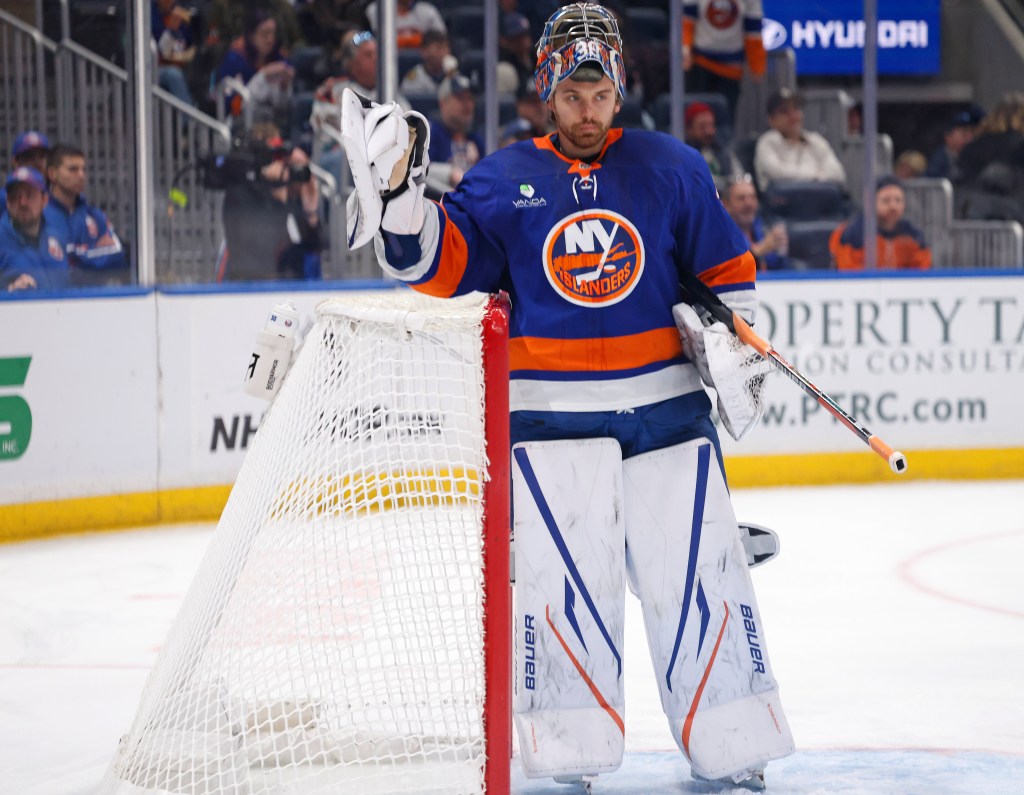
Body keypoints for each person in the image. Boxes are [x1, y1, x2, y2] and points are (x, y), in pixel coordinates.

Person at [341, 3, 794, 789]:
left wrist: (729, 334)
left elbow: (728, 273)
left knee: (700, 580)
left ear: (618, 93)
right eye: (572, 94)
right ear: (547, 93)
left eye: (601, 94)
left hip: (668, 418)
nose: (587, 111)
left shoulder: (672, 167)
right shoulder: (502, 177)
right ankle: (568, 755)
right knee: (564, 593)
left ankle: (734, 744)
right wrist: (404, 210)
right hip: (549, 423)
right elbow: (445, 271)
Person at [217, 125, 323, 282]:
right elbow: (264, 255)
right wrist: (277, 198)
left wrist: (311, 212)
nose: (280, 165)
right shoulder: (239, 194)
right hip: (250, 291)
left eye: (282, 157)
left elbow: (316, 247)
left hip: (292, 292)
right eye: (274, 158)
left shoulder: (289, 196)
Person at [44, 144, 127, 273]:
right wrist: (94, 250)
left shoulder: (94, 215)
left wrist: (76, 255)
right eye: (73, 169)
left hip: (94, 291)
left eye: (83, 169)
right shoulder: (39, 216)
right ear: (52, 174)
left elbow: (118, 253)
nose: (81, 175)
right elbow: (57, 265)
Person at [682, 0, 767, 121]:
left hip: (731, 69)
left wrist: (757, 65)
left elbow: (753, 30)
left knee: (724, 122)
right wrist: (685, 48)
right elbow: (687, 19)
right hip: (699, 65)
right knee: (695, 120)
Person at [829, 175, 931, 271]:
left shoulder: (913, 235)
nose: (893, 206)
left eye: (898, 200)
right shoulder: (852, 234)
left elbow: (922, 271)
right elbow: (849, 273)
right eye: (886, 201)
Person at [216, 6, 295, 128]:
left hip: (273, 125)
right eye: (265, 34)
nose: (270, 39)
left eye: (273, 33)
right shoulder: (235, 59)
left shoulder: (278, 57)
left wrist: (284, 86)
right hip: (241, 124)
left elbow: (283, 107)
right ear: (251, 36)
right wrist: (263, 76)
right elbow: (235, 106)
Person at [754, 88, 846, 191]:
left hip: (820, 200)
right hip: (784, 203)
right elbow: (778, 174)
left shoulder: (816, 140)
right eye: (785, 111)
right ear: (771, 120)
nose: (793, 116)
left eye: (796, 109)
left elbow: (838, 174)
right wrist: (817, 175)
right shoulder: (767, 142)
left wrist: (810, 179)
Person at [0, 167, 70, 291]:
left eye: (29, 195)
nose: (22, 202)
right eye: (15, 197)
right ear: (8, 203)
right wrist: (8, 291)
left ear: (45, 200)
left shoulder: (56, 237)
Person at [426, 74, 484, 193]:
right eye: (460, 98)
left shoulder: (476, 137)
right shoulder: (429, 132)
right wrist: (450, 173)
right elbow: (418, 171)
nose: (467, 105)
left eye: (470, 98)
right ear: (443, 103)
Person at [721, 173, 789, 271]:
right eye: (741, 198)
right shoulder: (721, 235)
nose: (749, 203)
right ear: (726, 204)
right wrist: (759, 251)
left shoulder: (762, 227)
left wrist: (780, 253)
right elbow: (731, 269)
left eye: (752, 197)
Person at [152, 0, 197, 105]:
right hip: (156, 68)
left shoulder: (180, 13)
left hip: (179, 63)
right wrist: (171, 30)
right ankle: (189, 118)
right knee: (173, 74)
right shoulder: (150, 14)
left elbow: (190, 44)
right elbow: (163, 51)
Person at [684, 101, 741, 181]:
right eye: (702, 127)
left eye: (711, 125)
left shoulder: (724, 152)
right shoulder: (683, 156)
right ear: (689, 129)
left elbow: (738, 178)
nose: (709, 131)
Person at [0, 131, 51, 213]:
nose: (36, 162)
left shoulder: (56, 196)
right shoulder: (3, 197)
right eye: (29, 157)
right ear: (15, 162)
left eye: (41, 156)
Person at [364, 0, 446, 49]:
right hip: (385, 60)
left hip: (422, 63)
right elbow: (368, 39)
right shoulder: (375, 10)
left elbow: (442, 40)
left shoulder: (428, 11)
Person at [399, 30, 458, 96]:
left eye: (446, 48)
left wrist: (452, 78)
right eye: (439, 48)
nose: (444, 53)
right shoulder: (415, 78)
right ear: (424, 51)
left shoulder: (454, 73)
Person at [925, 110, 976, 182]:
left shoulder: (971, 159)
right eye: (964, 134)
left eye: (972, 134)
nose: (969, 139)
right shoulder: (938, 163)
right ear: (948, 137)